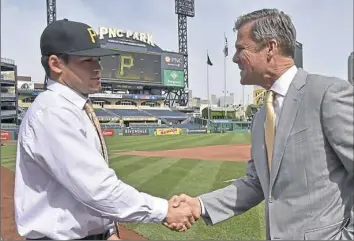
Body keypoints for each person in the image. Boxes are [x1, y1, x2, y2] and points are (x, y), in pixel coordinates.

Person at [166, 8, 354, 240]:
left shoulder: (328, 93)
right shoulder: (261, 117)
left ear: (270, 48)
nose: (235, 58)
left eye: (240, 48)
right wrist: (199, 205)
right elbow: (257, 183)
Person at [14, 19, 196, 240]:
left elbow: (85, 191)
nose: (98, 68)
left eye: (98, 60)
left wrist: (108, 231)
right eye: (87, 60)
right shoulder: (53, 112)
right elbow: (97, 189)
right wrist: (164, 210)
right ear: (56, 64)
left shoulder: (76, 107)